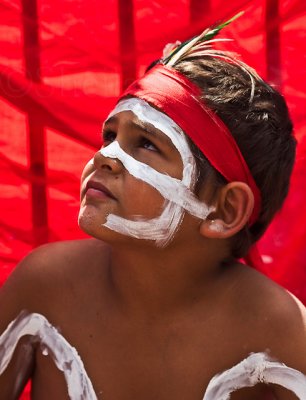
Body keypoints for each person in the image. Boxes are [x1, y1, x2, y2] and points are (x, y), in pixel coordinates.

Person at [0, 19, 306, 400]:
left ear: (224, 210)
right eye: (110, 136)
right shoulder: (43, 287)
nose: (105, 156)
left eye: (146, 144)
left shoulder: (279, 330)